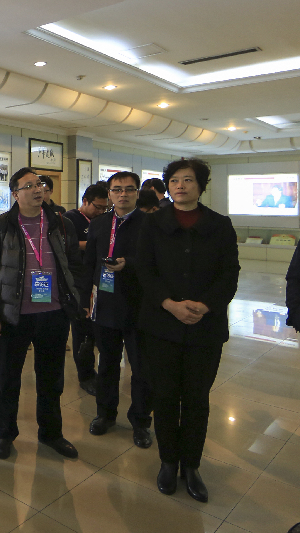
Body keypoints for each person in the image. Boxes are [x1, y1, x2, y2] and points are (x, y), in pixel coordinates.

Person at [136, 158, 239, 503]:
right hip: (161, 324)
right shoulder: (153, 223)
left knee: (196, 398)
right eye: (174, 180)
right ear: (168, 186)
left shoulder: (220, 225)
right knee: (165, 396)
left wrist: (206, 306)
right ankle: (168, 462)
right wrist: (169, 304)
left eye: (188, 180)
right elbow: (145, 270)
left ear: (201, 185)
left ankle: (191, 466)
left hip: (205, 327)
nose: (180, 186)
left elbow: (229, 273)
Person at [0, 167, 83, 460]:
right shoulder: (2, 226)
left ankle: (51, 433)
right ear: (15, 194)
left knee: (51, 379)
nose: (38, 189)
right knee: (8, 379)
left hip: (54, 313)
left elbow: (75, 265)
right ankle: (3, 435)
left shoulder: (61, 223)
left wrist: (75, 300)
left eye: (39, 184)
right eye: (29, 186)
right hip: (15, 315)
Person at [80, 172, 153, 449]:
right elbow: (89, 264)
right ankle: (105, 414)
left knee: (141, 369)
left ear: (137, 193)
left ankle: (141, 421)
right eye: (117, 189)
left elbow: (156, 264)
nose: (123, 194)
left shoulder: (150, 224)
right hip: (106, 305)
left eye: (129, 189)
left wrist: (128, 264)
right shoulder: (100, 223)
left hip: (139, 306)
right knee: (107, 364)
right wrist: (84, 299)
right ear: (109, 193)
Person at [63, 184, 108, 396]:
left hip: (99, 280)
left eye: (104, 208)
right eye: (97, 207)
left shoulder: (104, 220)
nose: (100, 211)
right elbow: (68, 245)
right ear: (85, 201)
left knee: (96, 330)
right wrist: (94, 243)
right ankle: (85, 375)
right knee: (82, 330)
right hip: (78, 283)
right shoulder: (70, 219)